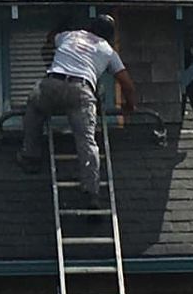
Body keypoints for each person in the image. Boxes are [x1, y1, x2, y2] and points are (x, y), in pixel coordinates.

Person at [18, 13, 137, 202]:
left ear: (90, 27)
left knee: (34, 108)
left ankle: (30, 156)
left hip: (52, 84)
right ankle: (92, 193)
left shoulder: (70, 35)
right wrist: (130, 106)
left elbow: (51, 37)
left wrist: (62, 24)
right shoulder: (107, 51)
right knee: (87, 142)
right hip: (81, 91)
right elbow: (127, 84)